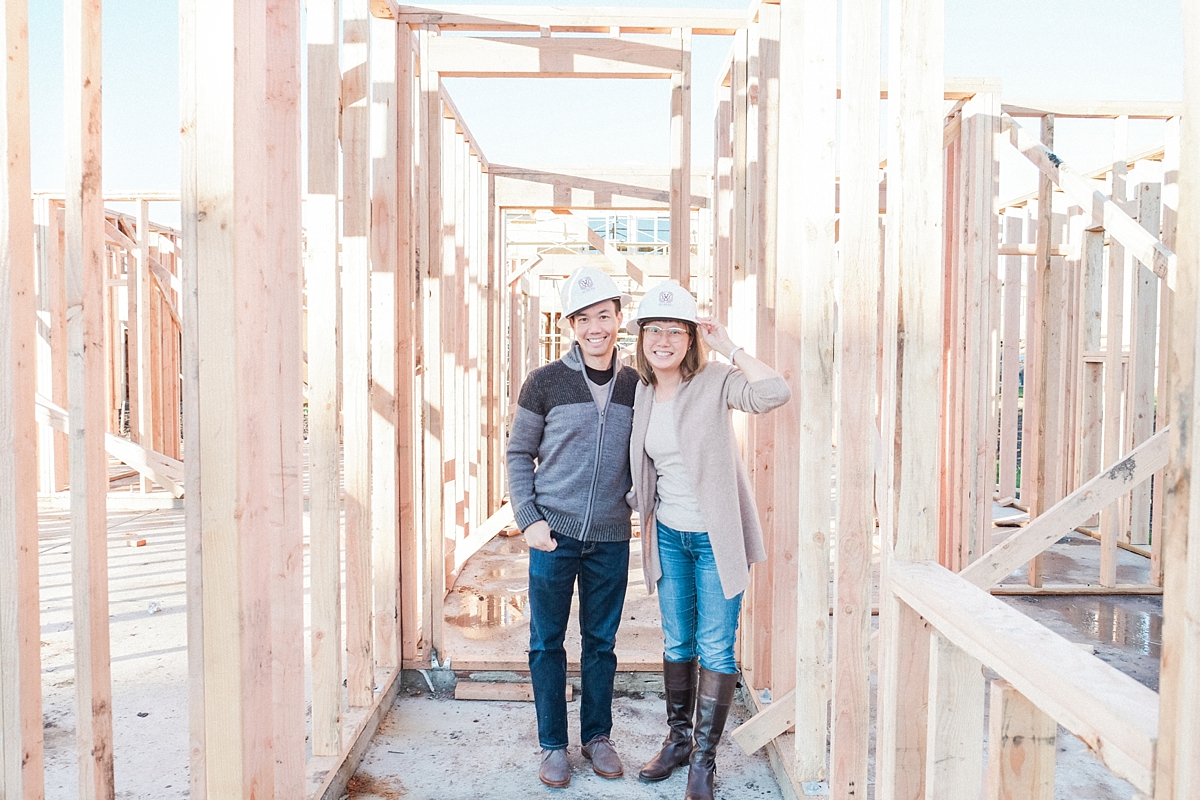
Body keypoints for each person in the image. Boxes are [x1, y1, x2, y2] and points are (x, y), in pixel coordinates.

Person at [626, 280, 790, 800]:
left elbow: (774, 392)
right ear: (643, 338)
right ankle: (677, 742)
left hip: (716, 539)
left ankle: (704, 759)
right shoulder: (644, 391)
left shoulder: (717, 379)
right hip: (670, 536)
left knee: (715, 645)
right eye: (655, 330)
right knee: (677, 641)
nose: (664, 340)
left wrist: (731, 347)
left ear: (692, 338)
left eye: (676, 331)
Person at [506, 266, 641, 789]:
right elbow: (519, 453)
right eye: (583, 319)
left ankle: (598, 737)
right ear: (571, 325)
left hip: (610, 536)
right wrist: (529, 520)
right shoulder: (544, 382)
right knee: (546, 642)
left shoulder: (636, 384)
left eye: (603, 316)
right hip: (553, 535)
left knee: (601, 642)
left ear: (618, 319)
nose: (595, 328)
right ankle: (553, 746)